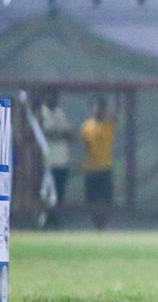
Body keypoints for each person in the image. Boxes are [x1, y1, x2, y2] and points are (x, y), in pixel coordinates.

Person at [37, 90, 75, 226]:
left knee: (59, 192)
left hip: (62, 160)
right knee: (46, 193)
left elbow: (69, 134)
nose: (52, 99)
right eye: (49, 96)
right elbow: (42, 133)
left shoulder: (60, 113)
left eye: (54, 97)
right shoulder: (41, 113)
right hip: (47, 162)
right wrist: (57, 133)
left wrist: (58, 133)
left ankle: (55, 218)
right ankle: (44, 218)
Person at [80, 96, 117, 230]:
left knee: (106, 199)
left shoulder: (109, 124)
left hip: (105, 168)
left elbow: (116, 113)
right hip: (91, 168)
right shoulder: (87, 126)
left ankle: (104, 223)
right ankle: (95, 223)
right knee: (91, 199)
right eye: (95, 107)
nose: (97, 110)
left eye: (100, 107)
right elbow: (85, 145)